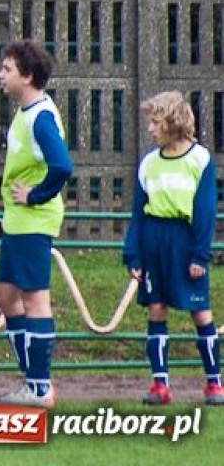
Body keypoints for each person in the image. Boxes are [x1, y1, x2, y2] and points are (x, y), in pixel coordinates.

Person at [124, 91, 220, 405]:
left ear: (173, 121)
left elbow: (205, 210)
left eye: (155, 122)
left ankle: (214, 383)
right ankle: (160, 385)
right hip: (154, 240)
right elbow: (138, 213)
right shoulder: (148, 164)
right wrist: (133, 255)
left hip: (185, 240)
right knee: (156, 308)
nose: (150, 129)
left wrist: (199, 255)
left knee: (200, 311)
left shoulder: (199, 160)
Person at [0, 41, 72, 408]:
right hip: (17, 220)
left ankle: (39, 387)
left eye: (7, 69)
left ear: (26, 76)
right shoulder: (26, 113)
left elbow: (62, 166)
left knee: (35, 298)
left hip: (33, 220)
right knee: (5, 295)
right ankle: (32, 379)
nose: (1, 75)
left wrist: (36, 195)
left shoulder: (40, 117)